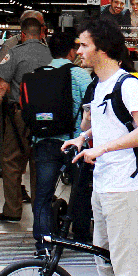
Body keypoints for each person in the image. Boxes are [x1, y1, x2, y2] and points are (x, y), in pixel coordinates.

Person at [62, 18, 138, 276]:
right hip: (102, 183)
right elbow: (112, 123)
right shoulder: (100, 85)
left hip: (123, 185)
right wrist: (84, 137)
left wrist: (101, 149)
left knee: (125, 262)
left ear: (101, 49)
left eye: (83, 45)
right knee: (102, 258)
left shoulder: (128, 85)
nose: (78, 51)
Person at [30, 32, 93, 258]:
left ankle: (43, 244)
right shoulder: (80, 75)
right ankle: (82, 236)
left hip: (44, 141)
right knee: (80, 190)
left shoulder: (37, 75)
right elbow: (93, 106)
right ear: (71, 51)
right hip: (75, 142)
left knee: (43, 194)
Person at [0, 16, 52, 222]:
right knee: (39, 162)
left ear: (23, 34)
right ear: (41, 33)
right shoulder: (51, 53)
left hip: (20, 116)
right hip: (46, 117)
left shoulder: (14, 52)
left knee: (12, 162)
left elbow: (2, 86)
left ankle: (13, 209)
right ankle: (40, 209)